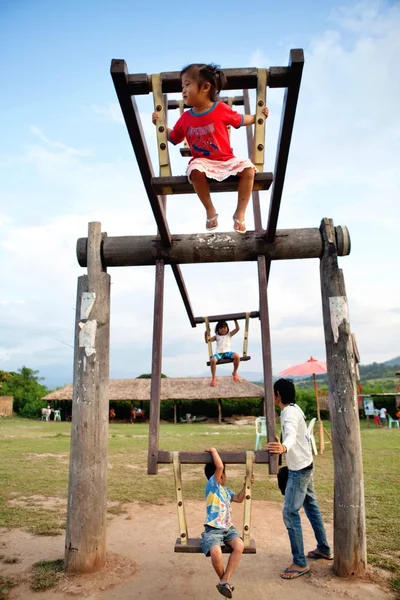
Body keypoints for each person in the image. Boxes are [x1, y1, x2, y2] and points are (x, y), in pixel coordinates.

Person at [152, 63, 269, 234]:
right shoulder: (185, 118)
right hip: (203, 162)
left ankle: (240, 213)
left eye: (187, 84)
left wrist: (260, 116)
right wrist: (160, 125)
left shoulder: (220, 109)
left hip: (226, 160)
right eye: (182, 86)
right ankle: (210, 210)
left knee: (249, 170)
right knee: (194, 170)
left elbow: (240, 119)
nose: (183, 90)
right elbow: (174, 138)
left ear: (205, 87)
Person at [267, 378, 332, 580]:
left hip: (300, 470)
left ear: (278, 394)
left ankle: (300, 563)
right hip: (306, 463)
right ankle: (323, 548)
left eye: (273, 392)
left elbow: (292, 435)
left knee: (289, 512)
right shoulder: (295, 408)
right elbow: (292, 434)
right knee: (311, 506)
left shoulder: (288, 414)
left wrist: (284, 447)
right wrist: (283, 442)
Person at [201, 447, 253, 598]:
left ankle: (225, 580)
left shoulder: (225, 490)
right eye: (224, 473)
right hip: (213, 529)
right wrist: (214, 451)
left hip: (228, 529)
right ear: (220, 475)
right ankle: (224, 582)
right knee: (215, 551)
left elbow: (238, 498)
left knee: (240, 545)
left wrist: (246, 486)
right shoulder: (212, 487)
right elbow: (219, 466)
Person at [205, 320, 241, 387]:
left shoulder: (229, 334)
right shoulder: (216, 336)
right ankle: (213, 378)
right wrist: (206, 332)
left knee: (237, 356)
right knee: (213, 360)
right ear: (217, 329)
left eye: (224, 327)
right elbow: (207, 340)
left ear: (227, 328)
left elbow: (237, 329)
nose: (223, 329)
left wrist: (235, 320)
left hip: (228, 353)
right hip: (219, 353)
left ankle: (234, 372)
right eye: (220, 328)